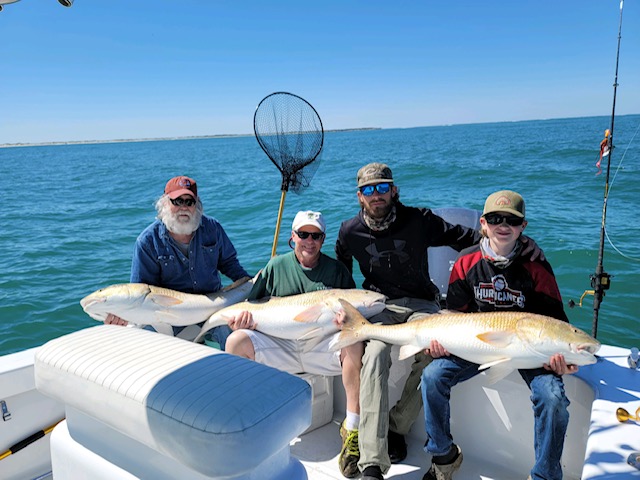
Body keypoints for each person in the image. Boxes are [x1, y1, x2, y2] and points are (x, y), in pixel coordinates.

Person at [335, 162, 485, 480]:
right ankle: (372, 464)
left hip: (422, 304)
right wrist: (345, 304)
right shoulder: (350, 230)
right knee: (374, 355)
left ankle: (397, 426)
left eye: (382, 187)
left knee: (434, 352)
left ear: (394, 190)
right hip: (381, 307)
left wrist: (504, 243)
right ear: (359, 196)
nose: (376, 195)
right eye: (368, 190)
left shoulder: (418, 220)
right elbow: (341, 265)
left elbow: (467, 239)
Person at [420, 190, 577, 480]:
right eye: (495, 219)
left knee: (552, 398)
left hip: (530, 351)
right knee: (432, 376)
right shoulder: (466, 262)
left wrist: (561, 358)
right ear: (483, 223)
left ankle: (544, 475)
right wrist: (441, 344)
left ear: (523, 227)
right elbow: (454, 316)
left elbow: (556, 323)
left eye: (511, 220)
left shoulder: (536, 266)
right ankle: (443, 456)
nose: (503, 225)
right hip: (477, 346)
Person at [225, 210, 365, 478]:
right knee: (236, 341)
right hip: (281, 347)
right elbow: (250, 306)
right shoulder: (276, 266)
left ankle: (353, 429)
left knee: (354, 342)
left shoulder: (337, 271)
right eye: (303, 234)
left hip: (320, 348)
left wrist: (346, 321)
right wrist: (241, 320)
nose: (309, 241)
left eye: (315, 236)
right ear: (293, 236)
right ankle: (250, 426)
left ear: (323, 239)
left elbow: (353, 313)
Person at [105, 175, 250, 347]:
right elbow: (140, 293)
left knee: (239, 335)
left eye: (189, 202)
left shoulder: (213, 228)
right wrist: (122, 312)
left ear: (197, 206)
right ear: (165, 204)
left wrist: (253, 288)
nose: (183, 207)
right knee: (141, 341)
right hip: (168, 314)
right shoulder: (147, 242)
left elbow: (230, 264)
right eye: (177, 201)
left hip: (211, 307)